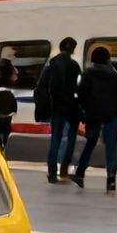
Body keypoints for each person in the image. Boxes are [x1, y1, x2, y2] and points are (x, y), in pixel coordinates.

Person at [72, 46, 117, 192]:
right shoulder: (114, 75)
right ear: (108, 59)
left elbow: (80, 94)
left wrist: (86, 109)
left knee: (90, 143)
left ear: (93, 59)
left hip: (93, 116)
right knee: (111, 147)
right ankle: (111, 179)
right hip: (111, 116)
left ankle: (80, 173)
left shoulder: (88, 74)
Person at [37, 38, 81, 183]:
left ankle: (51, 173)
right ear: (73, 49)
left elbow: (42, 86)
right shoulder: (75, 66)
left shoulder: (51, 65)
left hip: (56, 107)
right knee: (70, 140)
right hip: (72, 107)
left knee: (55, 139)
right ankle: (64, 170)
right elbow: (78, 88)